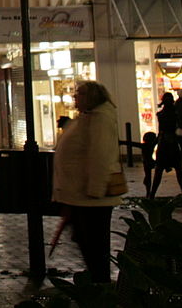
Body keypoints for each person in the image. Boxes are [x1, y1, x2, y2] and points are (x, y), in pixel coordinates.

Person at [52, 80, 123, 284]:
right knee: (86, 241)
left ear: (92, 97)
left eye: (80, 94)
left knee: (93, 244)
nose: (75, 97)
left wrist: (95, 189)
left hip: (90, 198)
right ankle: (97, 282)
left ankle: (100, 287)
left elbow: (101, 155)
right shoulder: (87, 117)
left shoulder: (100, 119)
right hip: (79, 195)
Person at [148, 92, 181, 198]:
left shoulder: (160, 115)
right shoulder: (176, 115)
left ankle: (152, 195)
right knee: (179, 172)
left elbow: (160, 132)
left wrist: (153, 145)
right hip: (173, 144)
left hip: (163, 144)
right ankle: (152, 194)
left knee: (158, 172)